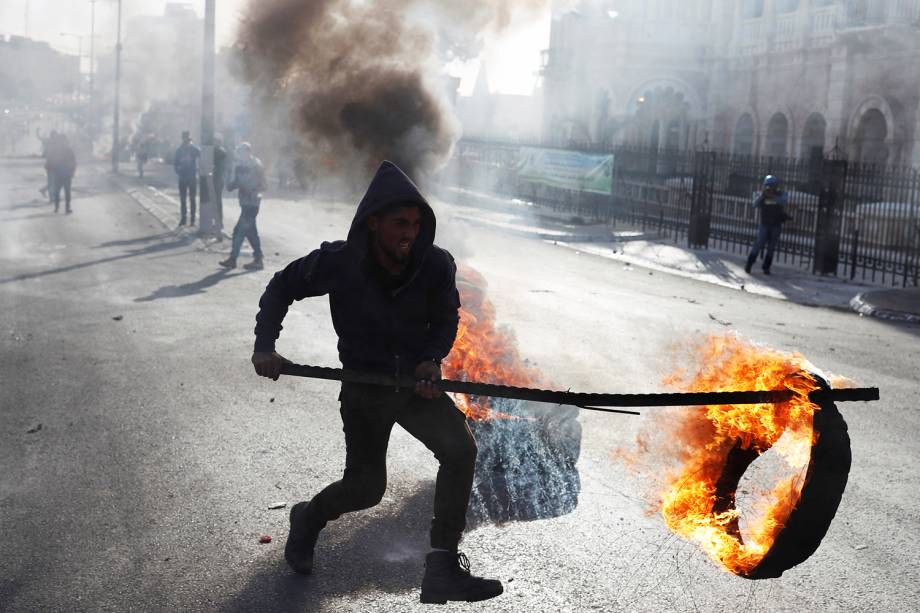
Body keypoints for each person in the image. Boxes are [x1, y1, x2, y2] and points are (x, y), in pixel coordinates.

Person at [250, 161, 503, 605]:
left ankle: (442, 565)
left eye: (416, 223)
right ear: (374, 223)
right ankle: (308, 518)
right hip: (365, 387)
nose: (409, 232)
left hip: (412, 385)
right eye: (400, 223)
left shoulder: (436, 264)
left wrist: (430, 360)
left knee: (461, 449)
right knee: (366, 489)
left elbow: (446, 319)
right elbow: (280, 287)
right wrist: (265, 345)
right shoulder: (340, 261)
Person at [219, 143, 266, 270]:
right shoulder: (239, 166)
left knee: (239, 231)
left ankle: (233, 259)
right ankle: (258, 259)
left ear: (248, 152)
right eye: (238, 152)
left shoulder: (256, 165)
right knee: (250, 232)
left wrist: (250, 190)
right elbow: (233, 184)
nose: (239, 155)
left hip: (253, 203)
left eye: (241, 152)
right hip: (245, 203)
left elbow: (264, 185)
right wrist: (229, 178)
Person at [745, 175, 791, 275]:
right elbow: (754, 204)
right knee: (759, 243)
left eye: (772, 186)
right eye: (768, 186)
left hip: (776, 224)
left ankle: (766, 267)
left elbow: (783, 200)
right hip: (764, 224)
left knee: (771, 247)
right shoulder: (761, 194)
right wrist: (763, 195)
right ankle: (749, 264)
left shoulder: (781, 194)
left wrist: (773, 196)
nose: (770, 188)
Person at [173, 131, 200, 226]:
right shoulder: (179, 150)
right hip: (183, 177)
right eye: (185, 139)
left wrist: (198, 170)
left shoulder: (194, 149)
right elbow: (175, 164)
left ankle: (192, 219)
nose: (187, 141)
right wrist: (178, 171)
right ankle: (183, 218)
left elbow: (202, 157)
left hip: (192, 177)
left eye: (188, 140)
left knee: (192, 199)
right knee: (183, 199)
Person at [45, 133, 77, 214]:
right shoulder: (65, 150)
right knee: (63, 191)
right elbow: (73, 162)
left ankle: (61, 207)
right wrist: (72, 171)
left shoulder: (63, 150)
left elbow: (73, 162)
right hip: (61, 173)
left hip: (62, 173)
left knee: (61, 191)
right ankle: (63, 207)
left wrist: (72, 171)